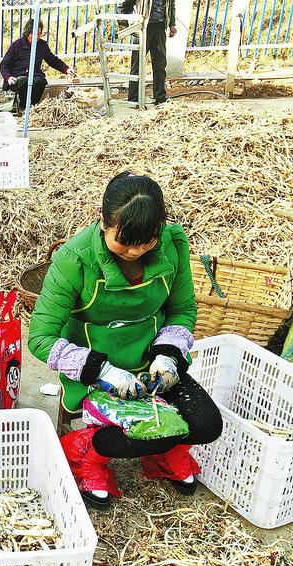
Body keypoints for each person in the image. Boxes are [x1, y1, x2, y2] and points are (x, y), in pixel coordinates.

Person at [27, 172, 222, 508]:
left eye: (146, 242)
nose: (135, 251)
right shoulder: (74, 259)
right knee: (145, 434)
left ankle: (162, 457)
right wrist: (103, 371)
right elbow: (40, 338)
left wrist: (167, 355)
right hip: (95, 369)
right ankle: (85, 453)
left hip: (149, 361)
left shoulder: (173, 246)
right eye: (125, 241)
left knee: (206, 425)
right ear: (104, 222)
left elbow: (182, 310)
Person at [0, 20, 76, 110]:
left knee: (40, 81)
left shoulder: (42, 45)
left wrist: (66, 69)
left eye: (39, 34)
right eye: (34, 33)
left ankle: (32, 106)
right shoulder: (17, 45)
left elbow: (52, 60)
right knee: (24, 81)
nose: (37, 36)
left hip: (34, 75)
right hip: (18, 77)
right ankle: (22, 106)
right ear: (28, 33)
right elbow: (4, 64)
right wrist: (8, 77)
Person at [121, 0, 177, 105]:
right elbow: (124, 4)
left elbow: (171, 4)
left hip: (160, 26)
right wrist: (125, 26)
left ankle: (160, 97)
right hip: (142, 27)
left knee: (160, 64)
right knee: (137, 64)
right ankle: (134, 99)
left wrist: (172, 24)